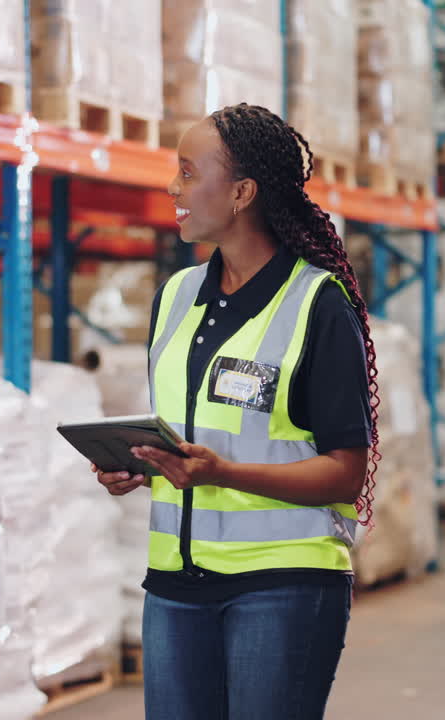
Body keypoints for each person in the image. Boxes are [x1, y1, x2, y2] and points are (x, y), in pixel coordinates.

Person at [93, 103, 381, 720]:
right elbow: (195, 430)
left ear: (243, 192)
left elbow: (346, 473)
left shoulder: (316, 305)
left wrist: (220, 473)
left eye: (189, 172)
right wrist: (140, 464)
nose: (174, 186)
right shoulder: (174, 297)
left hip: (283, 585)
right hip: (174, 585)